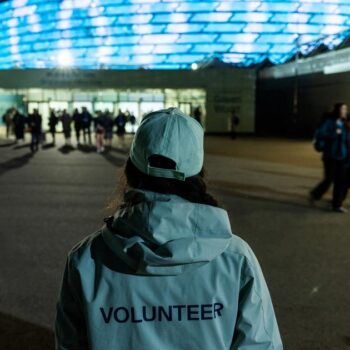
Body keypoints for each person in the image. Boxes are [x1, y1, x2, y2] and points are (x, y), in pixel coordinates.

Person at [55, 107, 282, 350]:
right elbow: (260, 345)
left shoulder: (86, 259)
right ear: (198, 173)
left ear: (131, 170)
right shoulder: (235, 257)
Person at [310, 103, 349, 212]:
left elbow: (346, 140)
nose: (345, 111)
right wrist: (333, 134)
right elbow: (320, 134)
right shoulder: (329, 122)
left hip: (342, 156)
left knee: (341, 180)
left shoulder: (344, 123)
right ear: (338, 110)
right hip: (330, 156)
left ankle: (336, 205)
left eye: (346, 109)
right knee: (329, 178)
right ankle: (315, 193)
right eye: (343, 109)